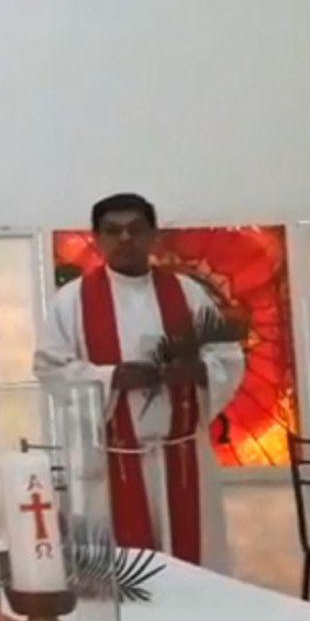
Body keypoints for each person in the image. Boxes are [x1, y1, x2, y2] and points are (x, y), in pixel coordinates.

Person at [34, 193, 244, 569]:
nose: (125, 240)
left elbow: (227, 356)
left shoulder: (187, 292)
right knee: (125, 574)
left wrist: (197, 371)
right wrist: (112, 376)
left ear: (154, 235)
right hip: (112, 459)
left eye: (136, 230)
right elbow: (51, 366)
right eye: (113, 231)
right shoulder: (72, 301)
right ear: (97, 239)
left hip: (183, 456)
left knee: (195, 562)